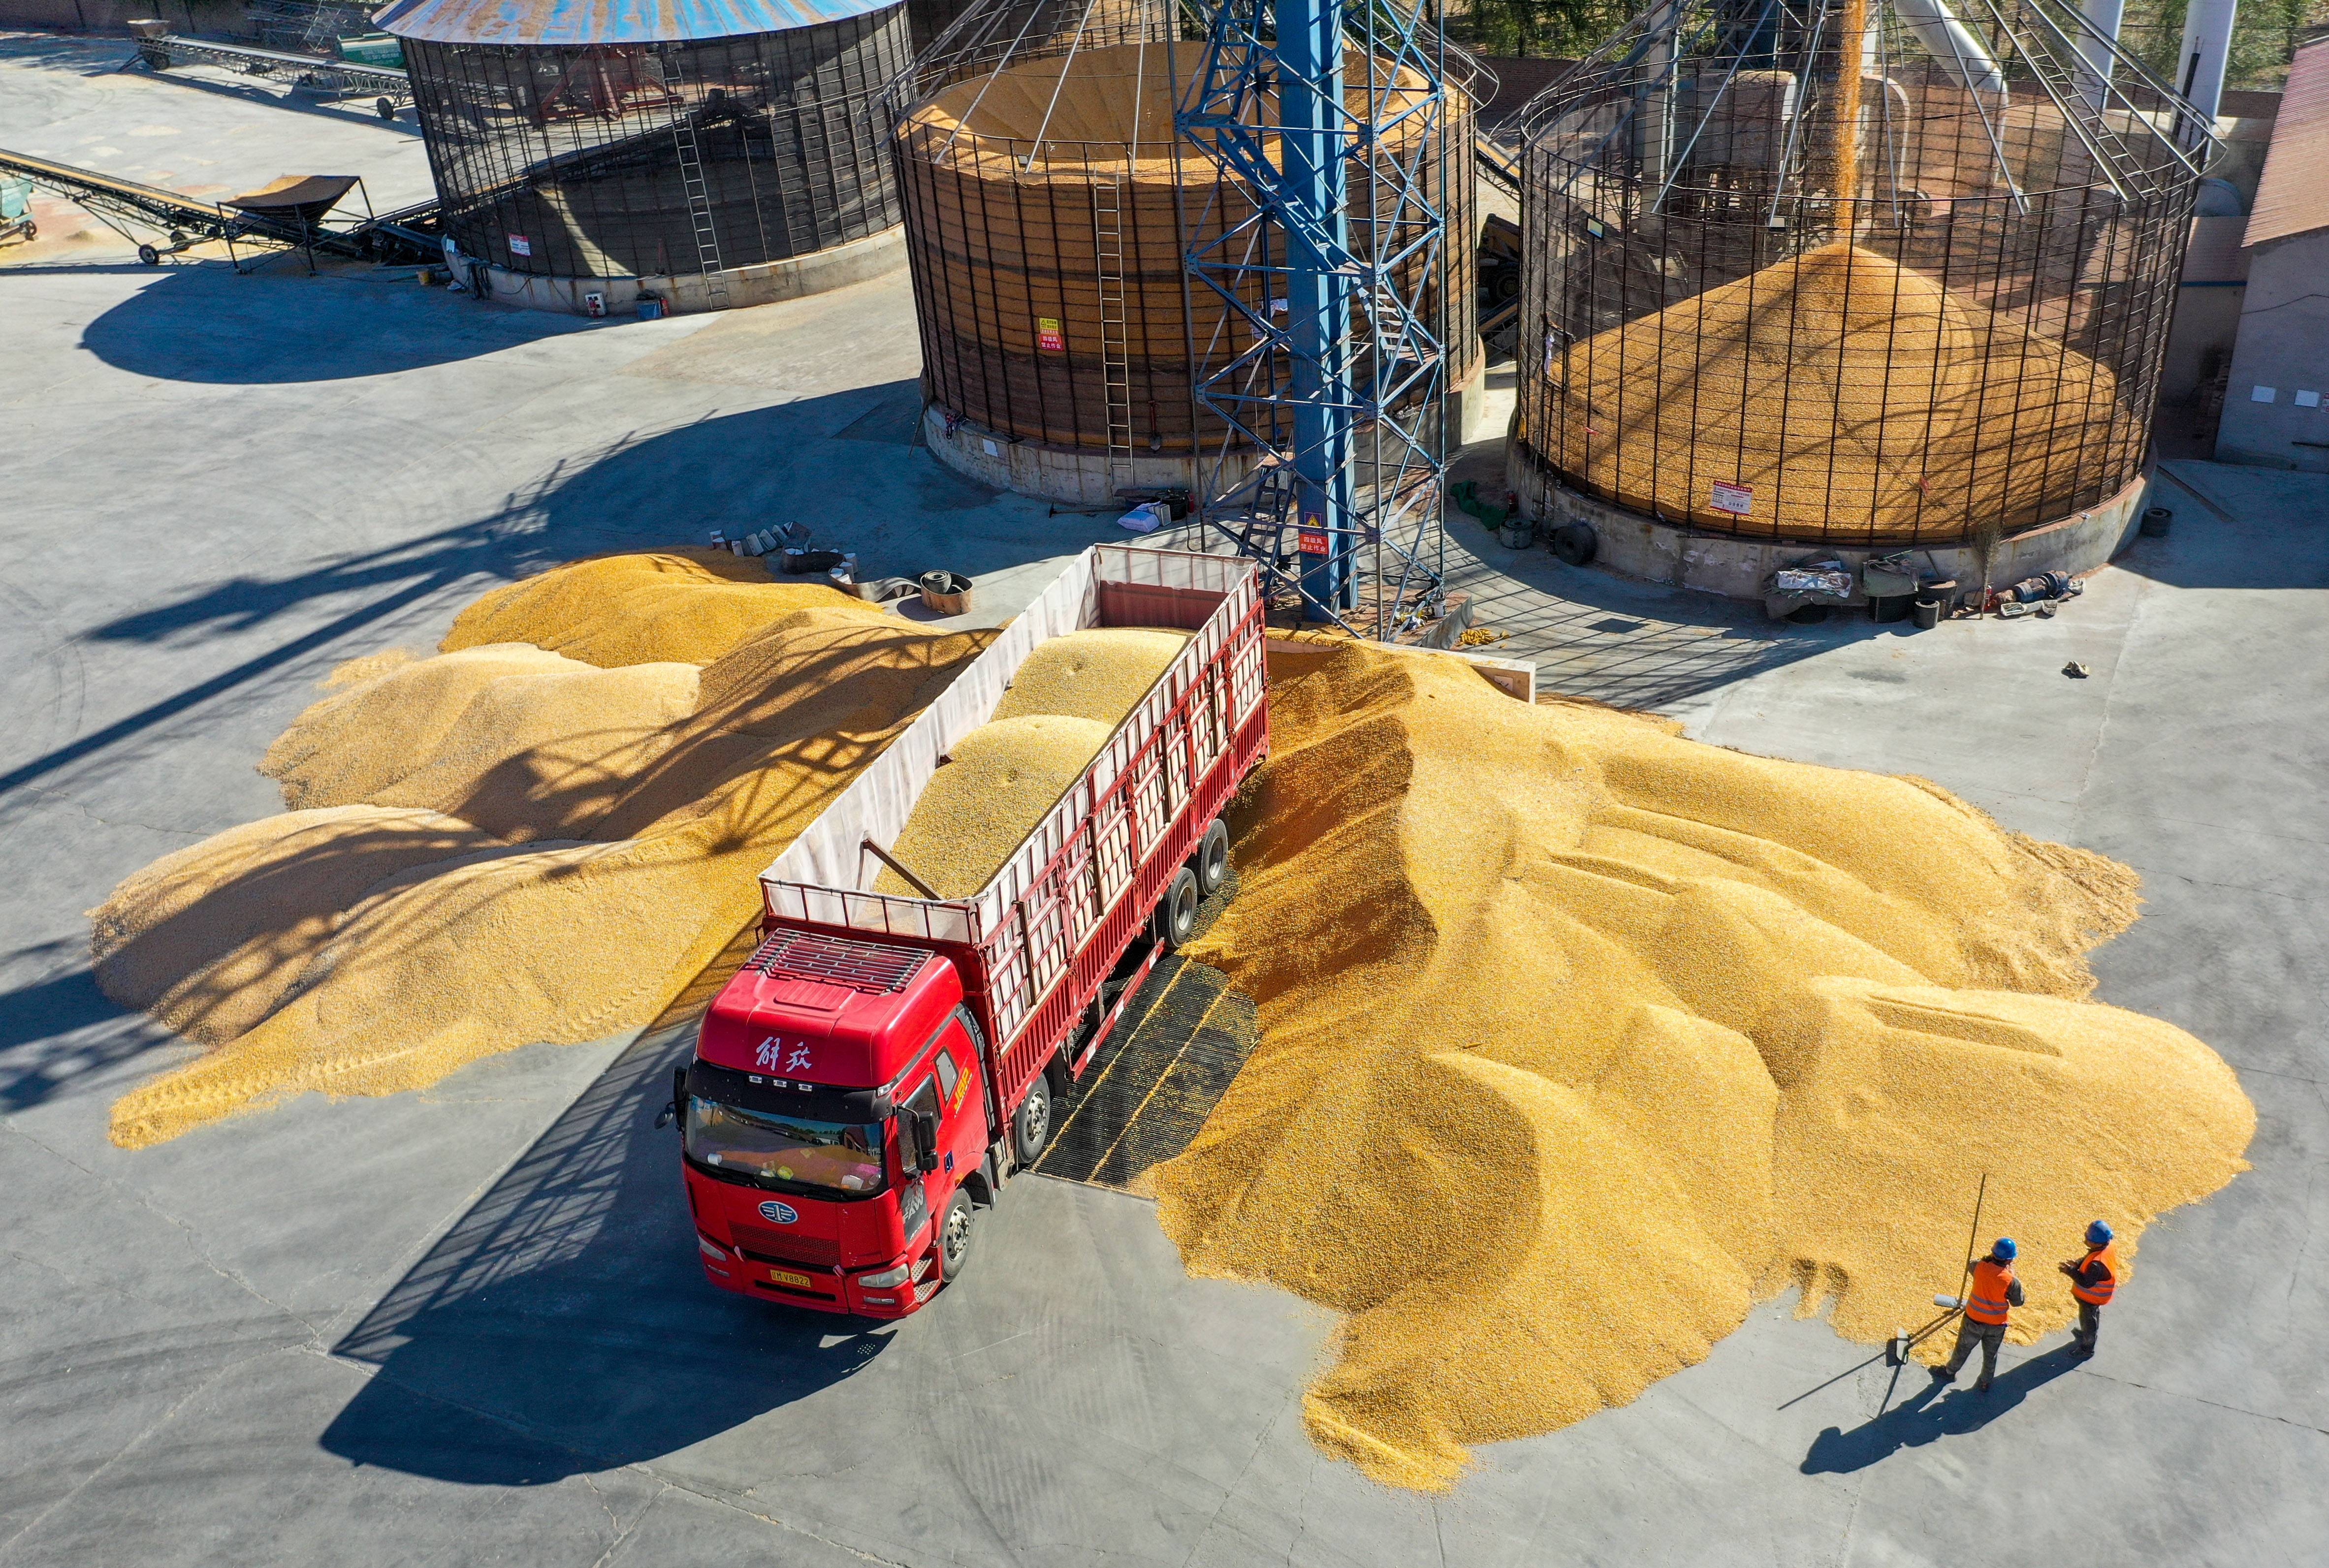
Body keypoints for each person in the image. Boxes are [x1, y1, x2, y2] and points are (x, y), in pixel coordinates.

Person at [1935, 1238, 2024, 1392]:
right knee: (1991, 1355)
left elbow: (1971, 1264)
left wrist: (1987, 1260)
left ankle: (1950, 1372)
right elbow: (2018, 1302)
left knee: (1962, 1348)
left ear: (1992, 1253)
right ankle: (1985, 1381)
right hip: (1996, 1326)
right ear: (2010, 1259)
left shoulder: (1979, 1268)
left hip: (1973, 1321)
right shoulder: (2011, 1281)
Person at [2059, 1219, 2118, 1357]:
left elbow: (2086, 1282)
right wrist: (2079, 1263)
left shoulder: (2097, 1265)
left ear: (2096, 1242)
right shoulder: (2105, 1246)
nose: (2086, 1239)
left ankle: (2087, 1348)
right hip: (2093, 1298)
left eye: (2088, 1238)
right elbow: (2089, 1257)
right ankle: (2087, 1333)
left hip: (2092, 1298)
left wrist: (2071, 1272)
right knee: (2090, 1317)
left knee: (2089, 1320)